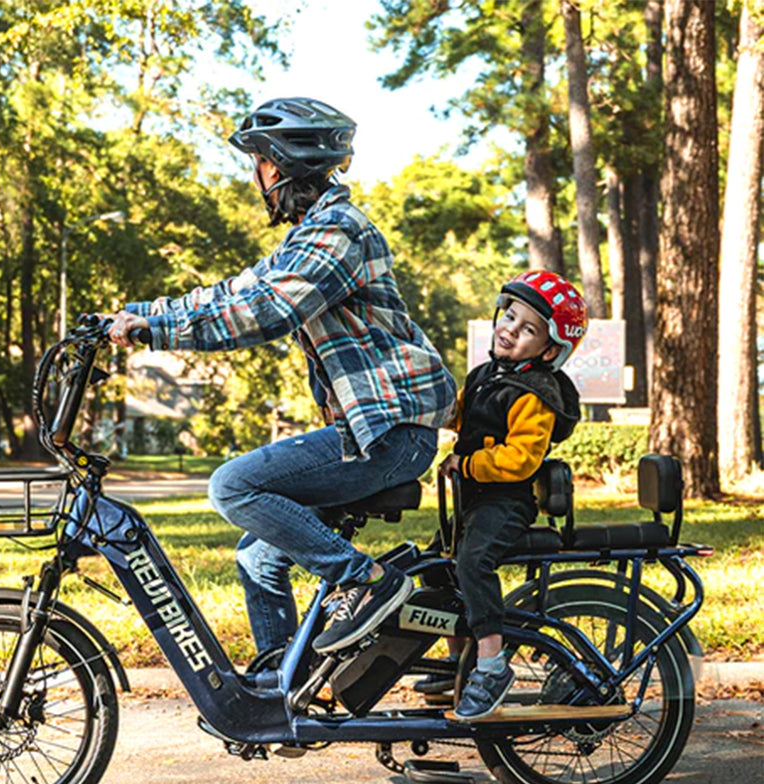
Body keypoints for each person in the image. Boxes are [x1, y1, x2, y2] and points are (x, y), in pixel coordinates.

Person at [107, 97, 457, 672]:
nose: (255, 178)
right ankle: (280, 683)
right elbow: (231, 294)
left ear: (279, 166)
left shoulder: (338, 232)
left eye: (258, 164)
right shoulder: (308, 238)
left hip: (389, 436)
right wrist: (131, 314)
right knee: (260, 558)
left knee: (232, 487)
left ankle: (366, 580)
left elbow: (266, 311)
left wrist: (155, 331)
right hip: (373, 433)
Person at [422, 270, 587, 720]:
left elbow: (521, 459)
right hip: (474, 502)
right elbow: (459, 414)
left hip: (507, 502)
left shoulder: (536, 393)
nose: (510, 329)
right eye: (510, 316)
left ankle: (491, 666)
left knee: (473, 562)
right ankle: (458, 663)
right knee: (435, 570)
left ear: (550, 350)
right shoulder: (485, 375)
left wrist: (469, 464)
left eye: (528, 328)